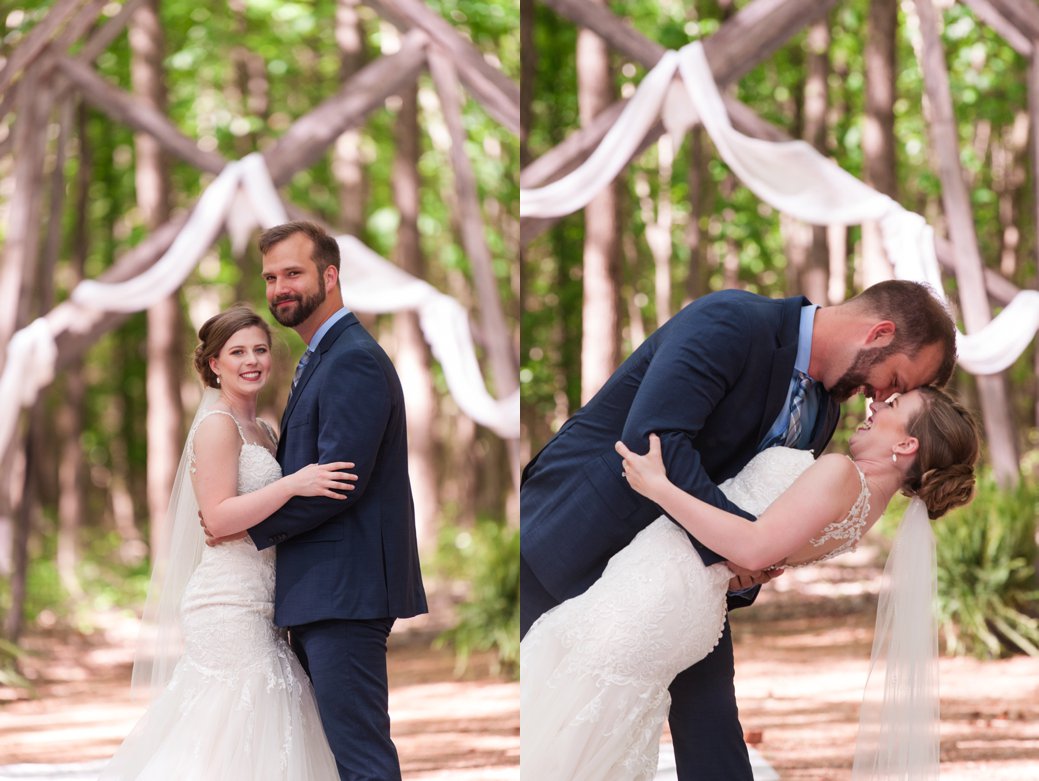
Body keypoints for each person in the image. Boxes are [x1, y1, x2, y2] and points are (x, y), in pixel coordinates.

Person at [520, 280, 958, 780]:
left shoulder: (825, 411)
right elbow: (654, 438)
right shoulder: (732, 322)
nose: (880, 397)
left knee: (711, 727)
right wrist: (741, 550)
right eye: (893, 379)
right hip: (579, 532)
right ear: (879, 333)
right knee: (546, 704)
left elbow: (776, 511)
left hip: (684, 580)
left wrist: (757, 563)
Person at [205, 221, 428, 781]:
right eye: (271, 277)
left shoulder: (351, 358)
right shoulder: (323, 357)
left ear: (329, 275)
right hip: (321, 592)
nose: (280, 286)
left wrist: (243, 529)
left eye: (293, 273)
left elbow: (338, 481)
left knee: (359, 755)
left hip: (343, 592)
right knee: (329, 757)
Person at [102, 305, 355, 779]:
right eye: (237, 352)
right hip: (226, 601)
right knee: (233, 725)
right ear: (214, 364)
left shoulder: (265, 429)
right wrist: (292, 484)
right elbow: (217, 519)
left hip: (266, 598)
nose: (251, 360)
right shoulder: (217, 426)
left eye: (260, 349)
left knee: (265, 730)